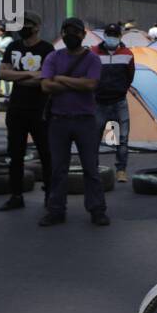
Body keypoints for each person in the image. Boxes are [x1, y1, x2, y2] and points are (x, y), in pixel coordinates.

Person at [39, 17, 107, 227]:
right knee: (58, 169)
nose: (71, 35)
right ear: (62, 33)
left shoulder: (93, 59)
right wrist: (76, 82)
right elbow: (45, 87)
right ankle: (56, 210)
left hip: (86, 121)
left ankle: (97, 210)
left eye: (75, 32)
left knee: (91, 168)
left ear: (83, 35)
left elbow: (90, 85)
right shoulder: (52, 57)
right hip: (58, 121)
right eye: (66, 31)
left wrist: (61, 79)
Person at [0, 15, 55, 211]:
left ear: (36, 27)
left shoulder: (47, 49)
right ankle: (16, 195)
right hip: (16, 108)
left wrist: (18, 77)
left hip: (41, 109)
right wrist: (31, 74)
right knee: (15, 154)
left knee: (46, 154)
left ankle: (50, 195)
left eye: (27, 26)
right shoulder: (12, 47)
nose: (23, 29)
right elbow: (2, 73)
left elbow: (46, 78)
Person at [93, 22, 136, 184]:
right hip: (99, 103)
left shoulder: (127, 54)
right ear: (104, 35)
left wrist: (121, 90)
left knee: (121, 138)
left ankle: (121, 170)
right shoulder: (93, 53)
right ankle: (93, 167)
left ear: (120, 36)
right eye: (109, 34)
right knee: (94, 137)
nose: (112, 38)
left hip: (119, 102)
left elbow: (130, 76)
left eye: (114, 35)